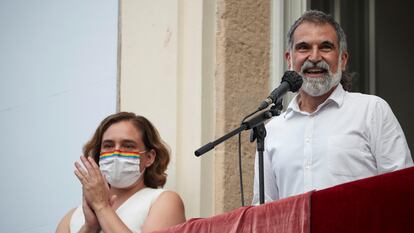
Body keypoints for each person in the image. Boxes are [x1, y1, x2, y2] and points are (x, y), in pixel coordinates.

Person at [252, 10, 413, 204]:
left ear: (343, 59)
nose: (314, 56)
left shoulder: (372, 111)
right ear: (289, 59)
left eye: (325, 47)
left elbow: (403, 195)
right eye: (304, 48)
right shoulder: (272, 131)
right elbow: (264, 214)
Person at [56, 112, 186, 232]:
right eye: (108, 145)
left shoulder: (163, 201)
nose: (116, 152)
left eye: (128, 145)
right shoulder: (72, 218)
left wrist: (102, 207)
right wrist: (89, 228)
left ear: (149, 157)